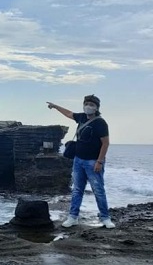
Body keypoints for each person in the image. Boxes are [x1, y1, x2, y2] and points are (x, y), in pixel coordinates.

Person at [46, 95, 115, 229]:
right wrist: (55, 106)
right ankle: (73, 217)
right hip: (78, 160)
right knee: (77, 190)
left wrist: (99, 162)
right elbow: (68, 113)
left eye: (92, 105)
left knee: (98, 190)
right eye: (87, 104)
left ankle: (105, 218)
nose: (89, 106)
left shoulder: (100, 123)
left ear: (97, 108)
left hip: (93, 161)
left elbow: (105, 143)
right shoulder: (82, 117)